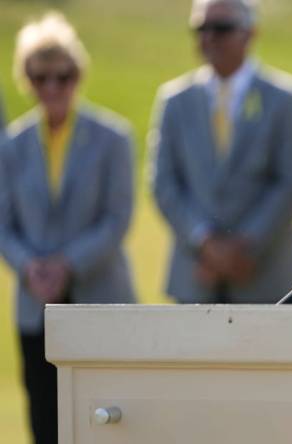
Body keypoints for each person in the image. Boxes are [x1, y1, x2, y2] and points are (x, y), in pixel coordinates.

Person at [0, 12, 137, 444]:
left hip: (101, 299)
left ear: (78, 76)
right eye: (41, 77)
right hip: (34, 305)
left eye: (63, 75)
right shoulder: (13, 145)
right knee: (44, 419)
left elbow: (117, 217)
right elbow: (3, 223)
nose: (53, 87)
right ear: (28, 80)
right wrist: (30, 267)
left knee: (109, 421)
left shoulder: (113, 137)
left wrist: (67, 265)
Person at [150, 0, 292, 303]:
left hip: (265, 272)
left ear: (249, 34)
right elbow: (163, 182)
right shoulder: (174, 100)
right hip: (195, 274)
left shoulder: (285, 99)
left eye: (220, 28)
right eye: (201, 28)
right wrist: (204, 242)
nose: (208, 37)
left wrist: (243, 245)